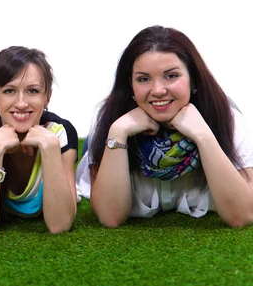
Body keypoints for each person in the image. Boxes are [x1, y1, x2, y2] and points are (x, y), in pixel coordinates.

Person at [76, 25, 253, 228]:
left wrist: (203, 136)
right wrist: (118, 132)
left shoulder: (226, 117)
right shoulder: (110, 120)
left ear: (193, 79)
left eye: (171, 76)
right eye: (143, 79)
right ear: (130, 85)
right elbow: (111, 218)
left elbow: (242, 215)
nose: (158, 90)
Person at [0, 46, 78, 234]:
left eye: (32, 91)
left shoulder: (59, 133)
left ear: (47, 97)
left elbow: (60, 225)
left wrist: (49, 148)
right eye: (9, 91)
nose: (22, 103)